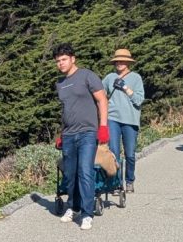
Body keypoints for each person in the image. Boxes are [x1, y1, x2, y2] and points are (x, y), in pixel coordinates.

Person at [53, 43, 109, 231]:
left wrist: (103, 127)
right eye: (58, 61)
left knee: (85, 171)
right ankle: (73, 207)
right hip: (69, 134)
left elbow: (102, 99)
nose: (61, 63)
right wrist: (61, 133)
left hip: (87, 132)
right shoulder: (60, 84)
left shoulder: (87, 76)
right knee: (70, 174)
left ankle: (87, 214)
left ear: (72, 59)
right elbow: (66, 110)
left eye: (64, 59)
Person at [102, 48, 145, 193]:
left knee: (130, 154)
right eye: (117, 61)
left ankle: (130, 180)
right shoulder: (109, 78)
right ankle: (116, 183)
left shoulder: (136, 78)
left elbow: (139, 100)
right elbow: (101, 96)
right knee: (114, 153)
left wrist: (126, 88)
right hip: (112, 118)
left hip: (130, 121)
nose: (119, 63)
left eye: (122, 61)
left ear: (128, 62)